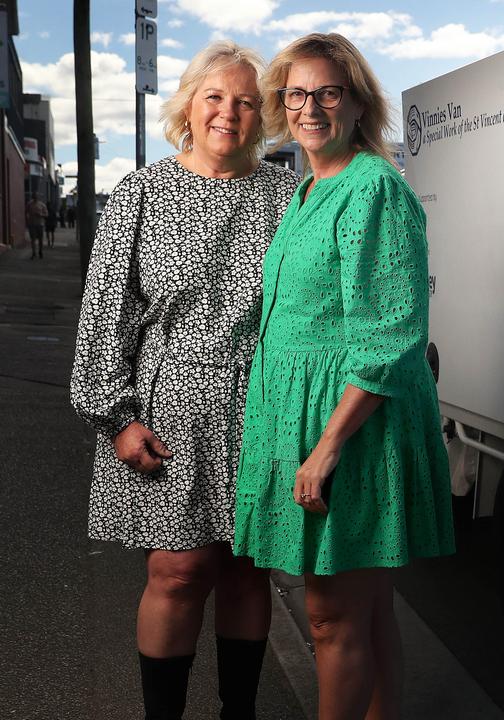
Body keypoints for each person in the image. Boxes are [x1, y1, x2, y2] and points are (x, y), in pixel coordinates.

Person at [70, 41, 298, 720]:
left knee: (247, 569)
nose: (230, 112)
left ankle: (239, 713)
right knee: (177, 570)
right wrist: (115, 417)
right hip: (168, 410)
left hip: (262, 407)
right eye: (215, 97)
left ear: (262, 118)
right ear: (189, 107)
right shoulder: (142, 193)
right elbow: (107, 311)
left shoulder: (289, 196)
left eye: (247, 101)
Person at [234, 33, 454, 719]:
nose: (309, 107)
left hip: (352, 426)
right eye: (296, 93)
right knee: (369, 609)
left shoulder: (373, 189)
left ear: (358, 102)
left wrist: (326, 446)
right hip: (317, 413)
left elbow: (390, 332)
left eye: (328, 92)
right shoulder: (308, 187)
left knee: (331, 616)